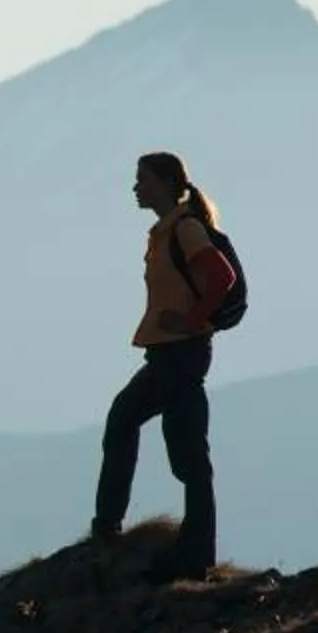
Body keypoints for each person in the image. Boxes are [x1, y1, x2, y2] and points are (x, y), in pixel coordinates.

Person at [91, 151, 237, 584]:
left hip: (181, 353)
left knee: (157, 438)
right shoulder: (165, 231)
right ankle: (191, 553)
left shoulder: (185, 229)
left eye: (143, 179)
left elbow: (222, 277)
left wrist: (192, 321)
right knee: (183, 452)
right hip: (170, 354)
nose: (136, 187)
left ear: (166, 182)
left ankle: (114, 529)